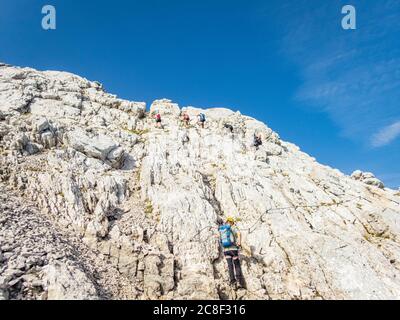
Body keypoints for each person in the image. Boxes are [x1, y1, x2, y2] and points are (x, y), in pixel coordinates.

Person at [218, 217, 245, 289]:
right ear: (232, 222)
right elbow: (239, 233)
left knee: (230, 266)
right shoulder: (232, 228)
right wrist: (239, 242)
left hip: (226, 250)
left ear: (226, 221)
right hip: (233, 249)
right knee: (236, 265)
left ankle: (233, 282)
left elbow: (220, 240)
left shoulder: (222, 229)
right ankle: (239, 281)